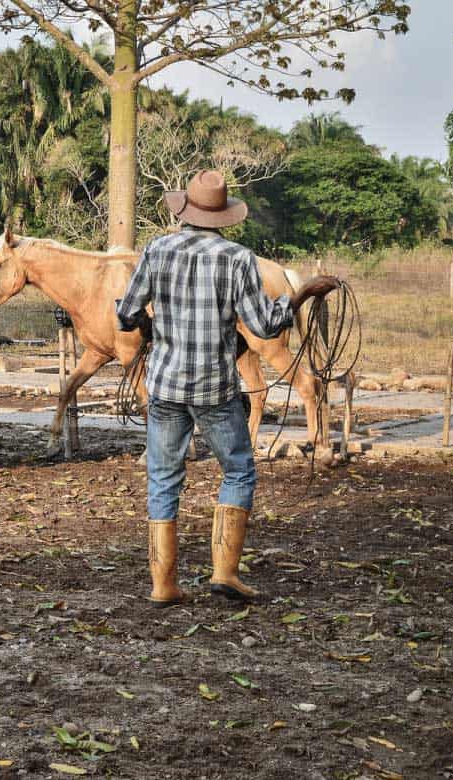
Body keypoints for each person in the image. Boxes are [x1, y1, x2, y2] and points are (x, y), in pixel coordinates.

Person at [115, 170, 339, 606]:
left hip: (164, 386)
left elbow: (125, 314)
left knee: (163, 480)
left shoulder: (157, 249)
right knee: (238, 470)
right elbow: (264, 324)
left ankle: (163, 585)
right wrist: (302, 294)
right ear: (222, 217)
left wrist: (146, 323)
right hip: (215, 388)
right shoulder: (237, 258)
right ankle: (224, 573)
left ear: (185, 210)